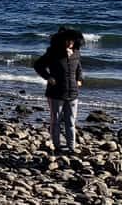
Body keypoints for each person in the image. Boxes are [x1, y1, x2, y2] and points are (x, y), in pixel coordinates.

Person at [34, 26, 85, 154]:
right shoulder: (53, 53)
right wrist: (48, 77)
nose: (70, 43)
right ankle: (57, 146)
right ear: (61, 41)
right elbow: (38, 65)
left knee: (71, 121)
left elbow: (79, 68)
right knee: (55, 120)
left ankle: (71, 147)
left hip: (73, 92)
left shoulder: (77, 52)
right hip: (55, 92)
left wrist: (79, 79)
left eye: (72, 41)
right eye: (67, 40)